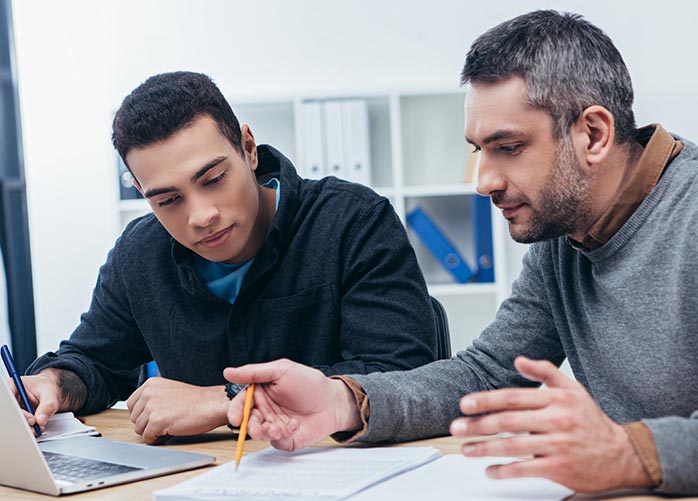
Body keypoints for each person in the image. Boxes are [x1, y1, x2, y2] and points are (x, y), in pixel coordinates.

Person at [225, 10, 698, 495]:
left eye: (509, 147)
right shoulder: (565, 232)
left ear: (593, 134)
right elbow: (487, 373)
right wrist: (341, 401)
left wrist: (627, 453)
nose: (484, 182)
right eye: (479, 150)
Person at [14, 71, 439, 444]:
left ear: (248, 148)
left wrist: (221, 401)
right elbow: (95, 361)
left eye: (213, 179)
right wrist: (52, 383)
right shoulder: (139, 254)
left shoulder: (353, 222)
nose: (201, 216)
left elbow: (399, 378)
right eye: (167, 200)